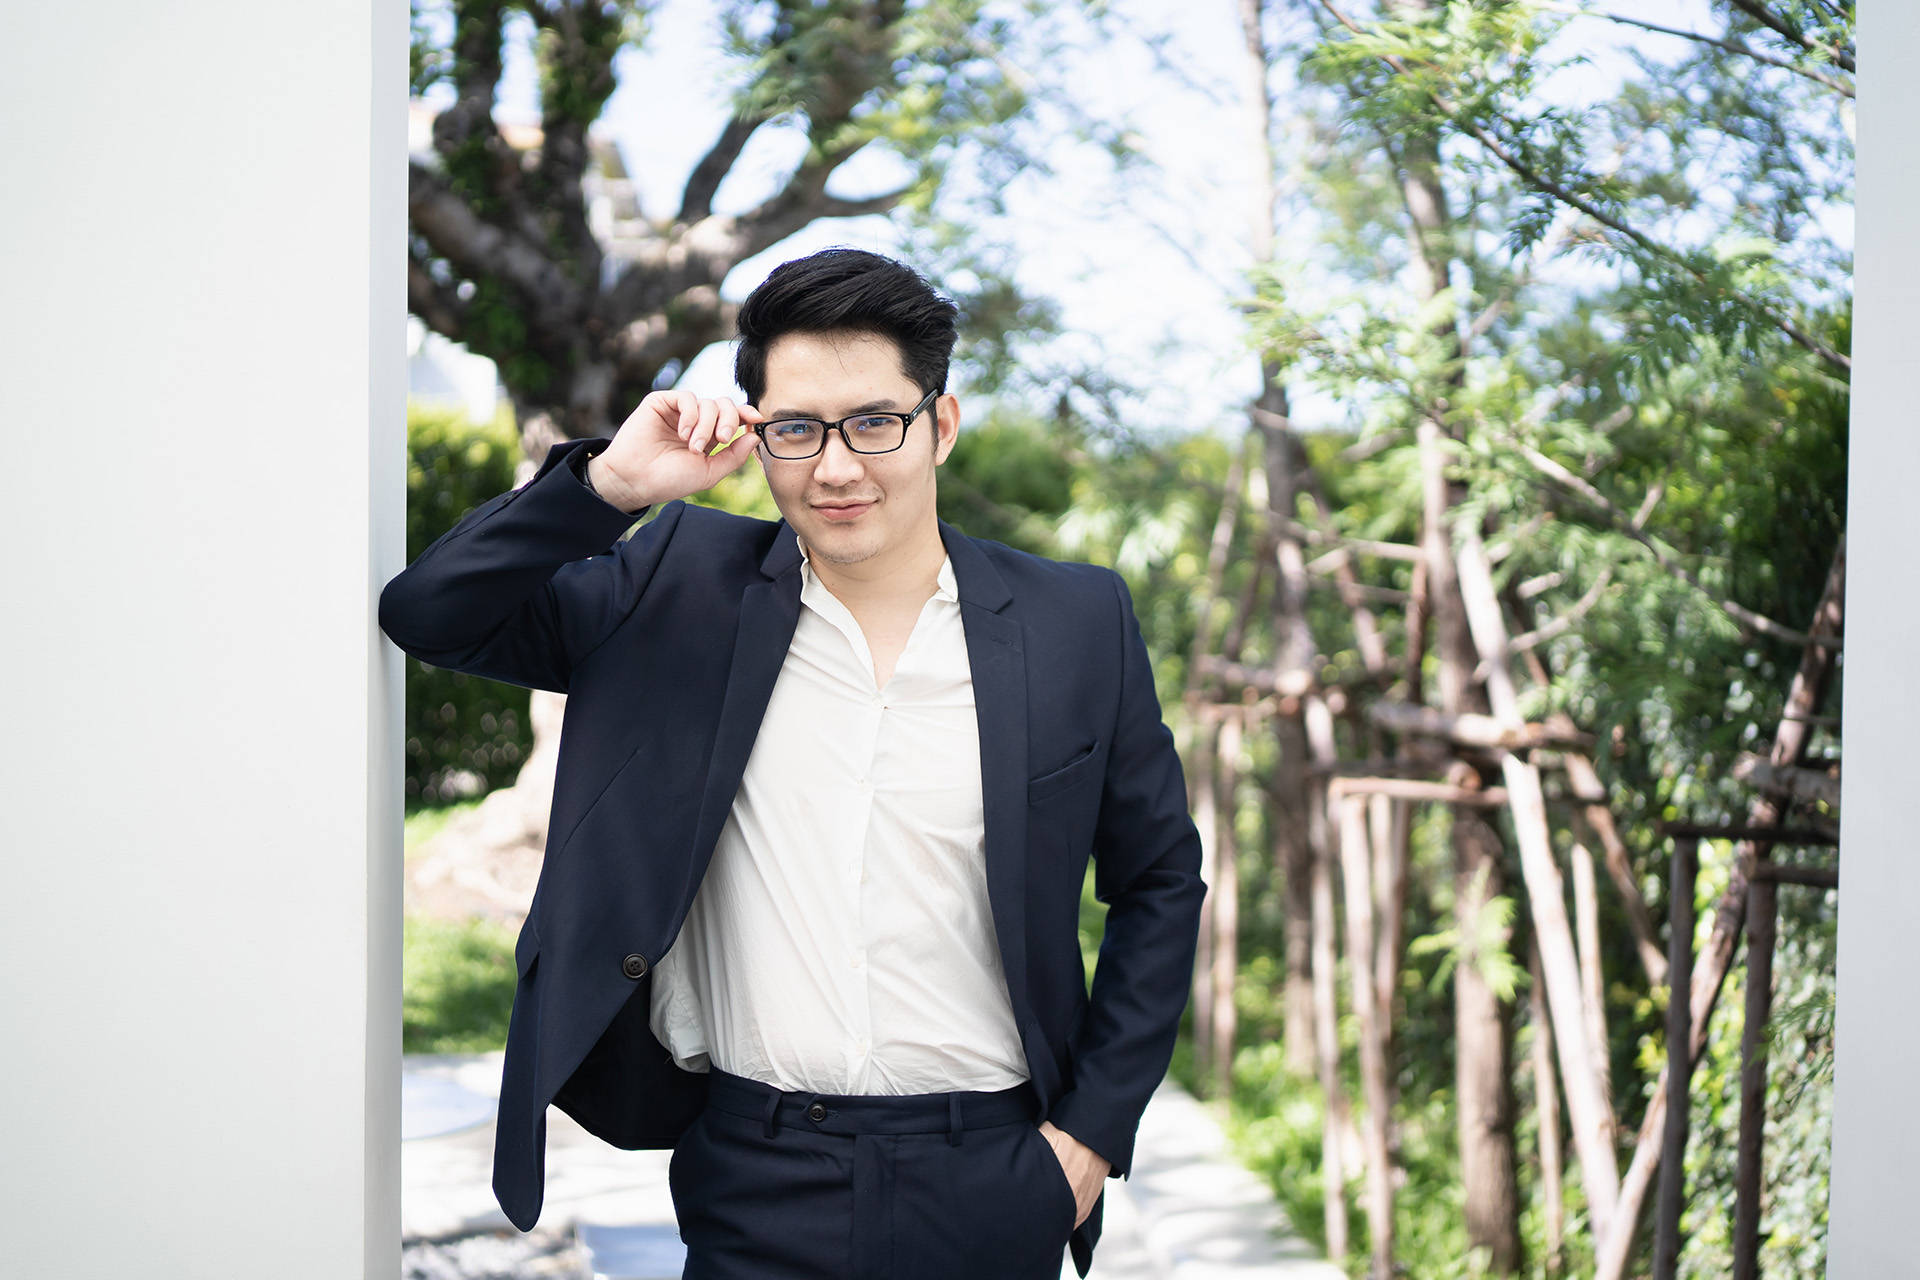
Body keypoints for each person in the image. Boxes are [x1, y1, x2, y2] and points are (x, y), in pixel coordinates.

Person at [379, 247, 1206, 1279]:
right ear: (757, 433)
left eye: (875, 422)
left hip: (994, 1174)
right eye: (798, 428)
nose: (837, 467)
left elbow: (1159, 881)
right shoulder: (675, 589)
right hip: (757, 1170)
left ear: (941, 424)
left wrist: (1087, 1137)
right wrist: (611, 486)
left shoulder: (1073, 621)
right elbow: (431, 612)